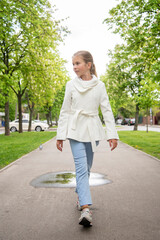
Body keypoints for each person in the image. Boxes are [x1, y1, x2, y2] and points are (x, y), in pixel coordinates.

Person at [56, 50, 119, 227]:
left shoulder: (100, 85)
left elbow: (106, 110)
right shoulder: (70, 85)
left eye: (77, 63)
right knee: (82, 168)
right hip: (75, 130)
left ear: (88, 65)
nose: (74, 67)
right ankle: (85, 209)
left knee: (87, 168)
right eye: (73, 64)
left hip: (93, 131)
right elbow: (65, 111)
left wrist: (112, 135)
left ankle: (80, 195)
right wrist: (60, 135)